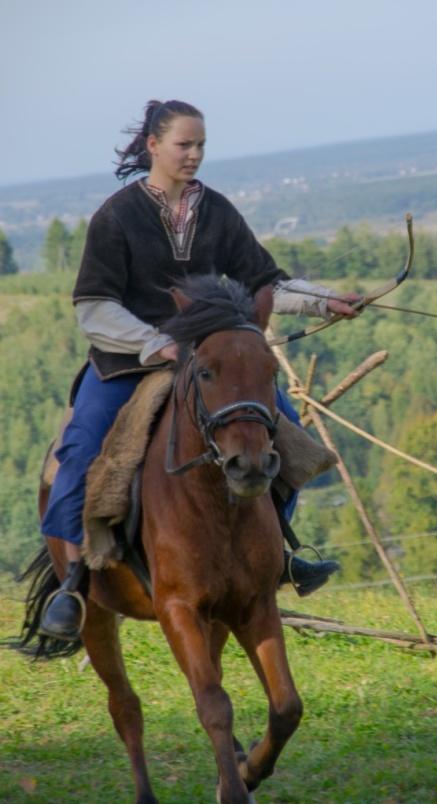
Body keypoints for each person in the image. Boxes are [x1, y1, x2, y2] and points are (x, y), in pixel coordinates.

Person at [39, 99, 361, 641]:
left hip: (209, 366)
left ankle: (281, 552)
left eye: (201, 146)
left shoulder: (216, 210)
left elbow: (265, 281)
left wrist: (327, 301)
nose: (193, 155)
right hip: (128, 364)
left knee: (286, 440)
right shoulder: (116, 217)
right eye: (184, 145)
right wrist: (155, 342)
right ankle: (72, 582)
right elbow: (93, 307)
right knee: (79, 451)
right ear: (154, 146)